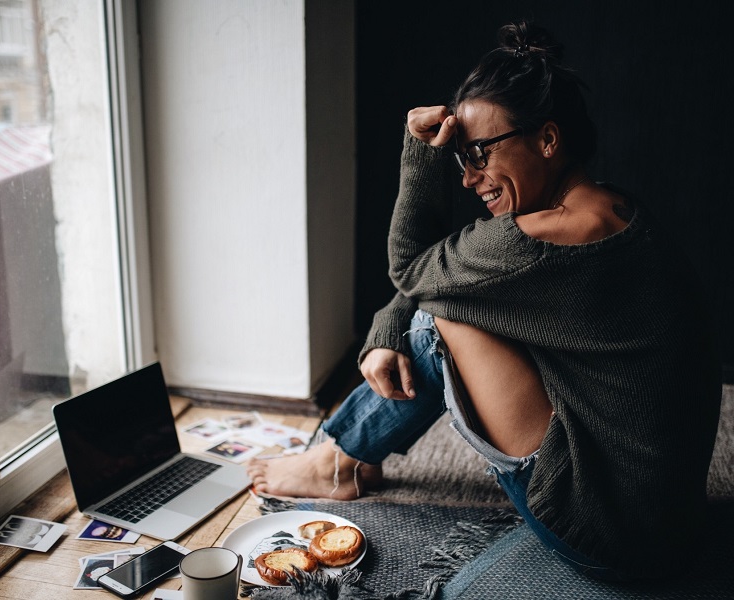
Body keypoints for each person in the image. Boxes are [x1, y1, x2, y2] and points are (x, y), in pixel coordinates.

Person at [247, 19, 721, 581]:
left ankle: (337, 461)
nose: (470, 178)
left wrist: (417, 151)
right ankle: (346, 454)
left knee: (439, 317)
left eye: (479, 153)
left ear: (547, 139)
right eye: (458, 158)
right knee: (449, 298)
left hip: (606, 532)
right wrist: (384, 329)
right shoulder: (608, 208)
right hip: (662, 517)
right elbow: (446, 274)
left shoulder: (541, 239)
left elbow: (414, 271)